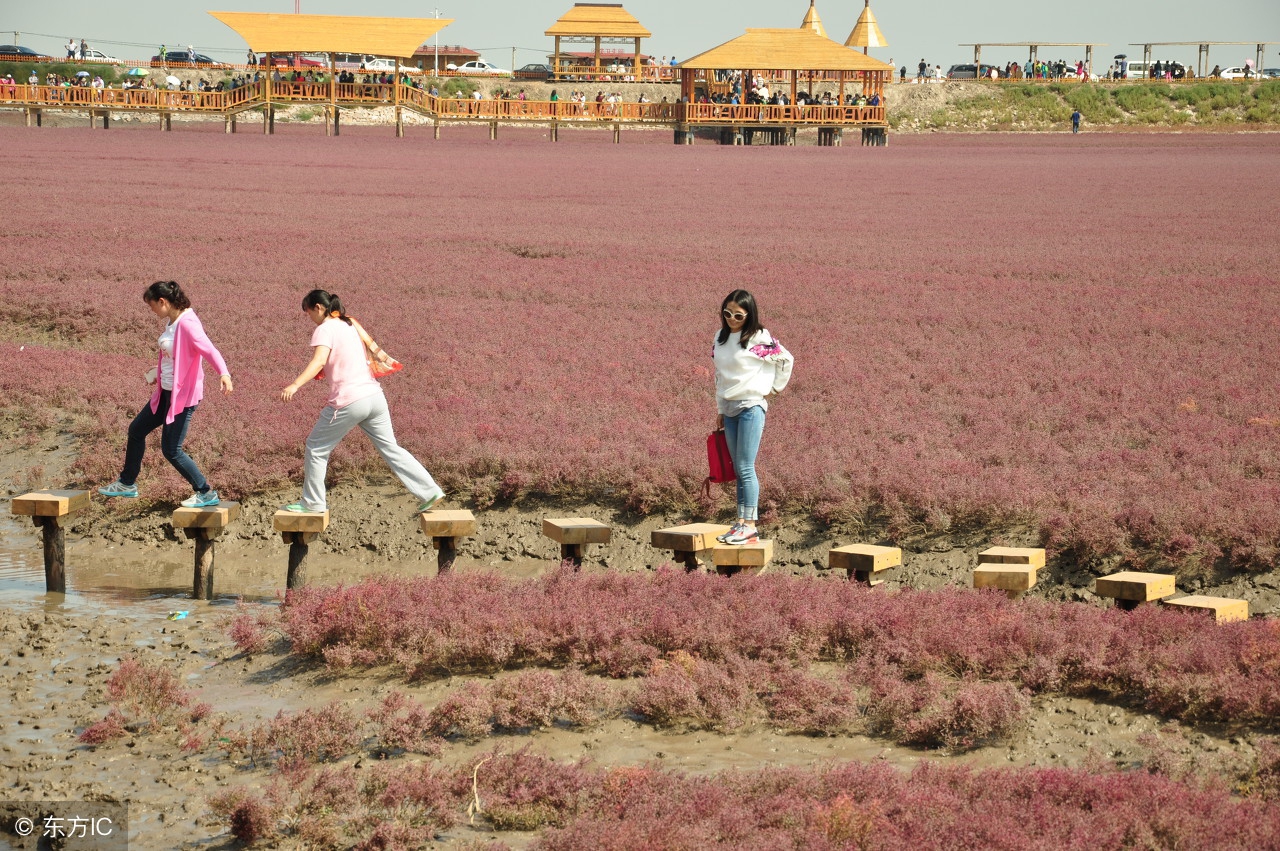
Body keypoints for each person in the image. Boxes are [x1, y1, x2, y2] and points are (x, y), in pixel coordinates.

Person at [279, 290, 444, 515]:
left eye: (308, 313)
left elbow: (319, 361)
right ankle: (430, 491)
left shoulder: (324, 329)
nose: (309, 318)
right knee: (391, 448)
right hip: (375, 397)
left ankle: (313, 503)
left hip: (349, 401)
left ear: (318, 308)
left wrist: (295, 384)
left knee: (316, 448)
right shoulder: (349, 324)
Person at [99, 281, 233, 506]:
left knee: (171, 450)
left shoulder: (188, 323)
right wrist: (157, 373)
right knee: (136, 430)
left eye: (152, 305)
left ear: (163, 301)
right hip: (165, 393)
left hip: (182, 397)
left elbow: (209, 349)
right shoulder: (173, 322)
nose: (151, 311)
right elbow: (175, 356)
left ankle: (205, 493)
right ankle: (127, 483)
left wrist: (224, 373)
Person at [711, 289, 793, 546]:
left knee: (746, 466)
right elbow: (720, 377)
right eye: (727, 313)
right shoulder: (721, 338)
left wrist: (774, 389)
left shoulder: (758, 338)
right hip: (731, 407)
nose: (732, 319)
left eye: (738, 315)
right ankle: (740, 522)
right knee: (737, 468)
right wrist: (721, 410)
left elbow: (786, 360)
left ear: (749, 315)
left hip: (751, 407)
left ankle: (751, 525)